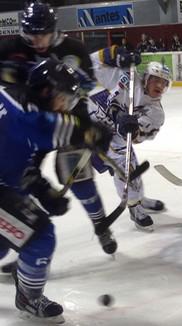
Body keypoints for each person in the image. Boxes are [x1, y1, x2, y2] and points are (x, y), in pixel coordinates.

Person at [0, 1, 120, 255]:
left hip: (66, 118)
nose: (38, 41)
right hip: (25, 122)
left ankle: (100, 225)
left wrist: (78, 124)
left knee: (74, 174)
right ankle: (26, 239)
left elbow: (83, 88)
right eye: (32, 35)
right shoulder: (9, 49)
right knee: (20, 177)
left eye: (43, 33)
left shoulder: (73, 49)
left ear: (54, 29)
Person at [0, 58, 111, 323]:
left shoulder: (14, 98)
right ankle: (28, 298)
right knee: (40, 236)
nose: (65, 106)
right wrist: (91, 132)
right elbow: (51, 127)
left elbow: (14, 157)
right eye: (64, 98)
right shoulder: (26, 114)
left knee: (3, 243)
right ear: (48, 91)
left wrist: (40, 188)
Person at [89, 48, 171, 231]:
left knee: (129, 163)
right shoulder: (127, 77)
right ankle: (135, 204)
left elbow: (138, 136)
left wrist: (132, 130)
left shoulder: (155, 113)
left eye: (164, 83)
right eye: (156, 80)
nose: (160, 86)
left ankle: (136, 201)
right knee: (123, 163)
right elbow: (92, 62)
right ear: (147, 78)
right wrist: (112, 54)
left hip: (114, 134)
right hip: (91, 119)